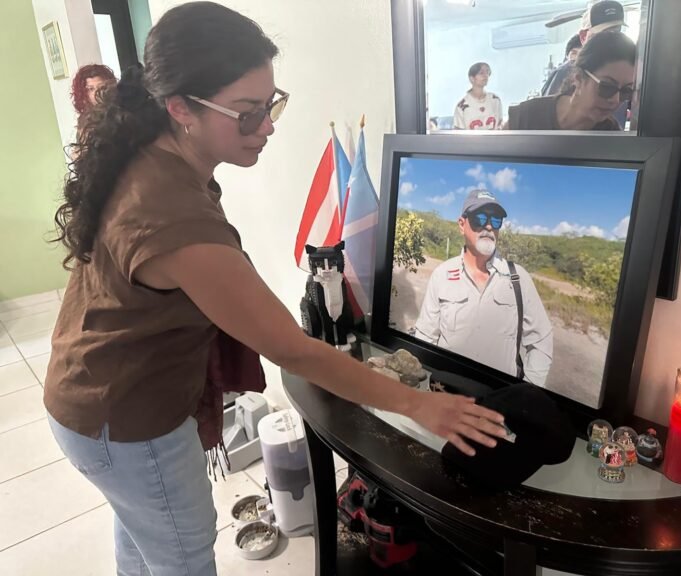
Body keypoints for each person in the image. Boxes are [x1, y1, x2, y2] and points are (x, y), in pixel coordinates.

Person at [45, 3, 507, 575]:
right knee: (182, 556)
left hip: (89, 395)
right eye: (246, 113)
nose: (267, 126)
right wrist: (421, 405)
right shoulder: (168, 211)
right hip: (124, 416)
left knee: (141, 543)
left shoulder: (155, 153)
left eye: (271, 105)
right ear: (180, 107)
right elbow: (290, 348)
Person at [413, 190, 553, 387]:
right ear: (462, 224)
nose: (488, 226)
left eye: (496, 220)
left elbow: (541, 342)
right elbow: (425, 339)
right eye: (480, 218)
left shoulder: (519, 279)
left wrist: (527, 393)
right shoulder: (441, 275)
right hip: (447, 395)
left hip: (501, 403)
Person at [506, 31, 635, 131]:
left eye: (625, 91)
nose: (616, 100)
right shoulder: (526, 117)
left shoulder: (610, 135)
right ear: (578, 78)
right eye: (607, 87)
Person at [541, 0, 626, 97]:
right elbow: (547, 110)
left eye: (617, 32)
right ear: (583, 37)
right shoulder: (565, 74)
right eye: (604, 34)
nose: (612, 41)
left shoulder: (626, 73)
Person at [70, 63, 117, 140]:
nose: (97, 92)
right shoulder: (83, 122)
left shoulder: (120, 115)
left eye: (101, 87)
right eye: (91, 89)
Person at [453, 62, 503, 130]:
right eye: (481, 73)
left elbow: (500, 125)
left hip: (493, 140)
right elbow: (458, 134)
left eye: (487, 72)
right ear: (472, 78)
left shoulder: (495, 100)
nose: (485, 75)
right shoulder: (462, 106)